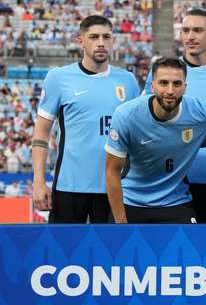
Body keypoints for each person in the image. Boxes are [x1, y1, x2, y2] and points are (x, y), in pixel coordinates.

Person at [31, 15, 139, 223]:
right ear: (81, 41)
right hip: (69, 186)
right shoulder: (59, 78)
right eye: (94, 37)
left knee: (111, 254)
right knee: (63, 253)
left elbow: (136, 132)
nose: (101, 42)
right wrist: (38, 181)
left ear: (113, 41)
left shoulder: (128, 81)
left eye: (106, 37)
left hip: (115, 187)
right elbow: (42, 132)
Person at [144, 8, 206, 223]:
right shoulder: (165, 73)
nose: (189, 37)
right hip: (172, 179)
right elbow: (146, 119)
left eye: (197, 30)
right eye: (185, 30)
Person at [105, 57, 206, 224]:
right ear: (152, 86)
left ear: (185, 87)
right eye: (163, 83)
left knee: (187, 249)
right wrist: (120, 222)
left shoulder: (201, 112)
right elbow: (112, 172)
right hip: (131, 202)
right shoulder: (126, 115)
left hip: (176, 203)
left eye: (177, 84)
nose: (170, 91)